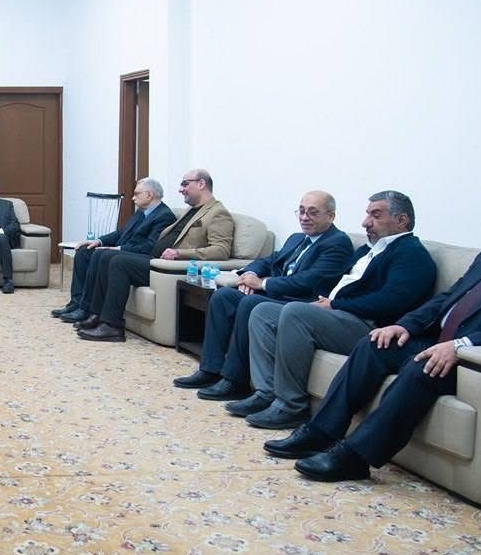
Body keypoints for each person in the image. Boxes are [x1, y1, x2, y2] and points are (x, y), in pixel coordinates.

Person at [265, 185, 481, 482]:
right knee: (374, 344)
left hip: (477, 361)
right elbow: (447, 298)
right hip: (439, 341)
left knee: (422, 367)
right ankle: (320, 432)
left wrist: (462, 345)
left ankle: (355, 457)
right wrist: (404, 325)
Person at [233, 191, 437, 429]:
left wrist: (335, 304)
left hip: (369, 326)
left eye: (376, 215)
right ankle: (266, 393)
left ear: (402, 220)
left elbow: (390, 302)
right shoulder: (371, 249)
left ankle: (291, 406)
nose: (365, 222)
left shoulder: (410, 253)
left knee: (296, 313)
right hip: (337, 313)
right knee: (263, 312)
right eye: (367, 214)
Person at [173, 190, 355, 396]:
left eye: (313, 212)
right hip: (277, 295)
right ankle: (210, 369)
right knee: (223, 296)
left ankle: (236, 381)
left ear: (331, 216)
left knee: (250, 303)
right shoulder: (297, 238)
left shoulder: (337, 243)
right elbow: (268, 260)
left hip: (302, 303)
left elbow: (307, 282)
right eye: (301, 211)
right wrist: (250, 274)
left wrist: (263, 284)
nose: (305, 217)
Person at [76, 169, 236, 342]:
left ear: (201, 184)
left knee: (118, 261)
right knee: (105, 255)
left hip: (168, 267)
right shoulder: (191, 211)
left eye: (185, 184)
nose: (180, 189)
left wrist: (179, 253)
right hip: (155, 258)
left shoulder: (218, 213)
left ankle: (112, 326)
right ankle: (98, 315)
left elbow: (221, 250)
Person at [53, 178, 175, 320]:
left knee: (100, 254)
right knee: (84, 252)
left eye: (136, 194)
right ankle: (76, 302)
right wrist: (98, 241)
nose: (133, 198)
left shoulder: (164, 216)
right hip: (121, 251)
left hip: (134, 255)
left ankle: (85, 309)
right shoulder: (141, 212)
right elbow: (121, 233)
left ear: (149, 195)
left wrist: (118, 248)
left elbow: (149, 247)